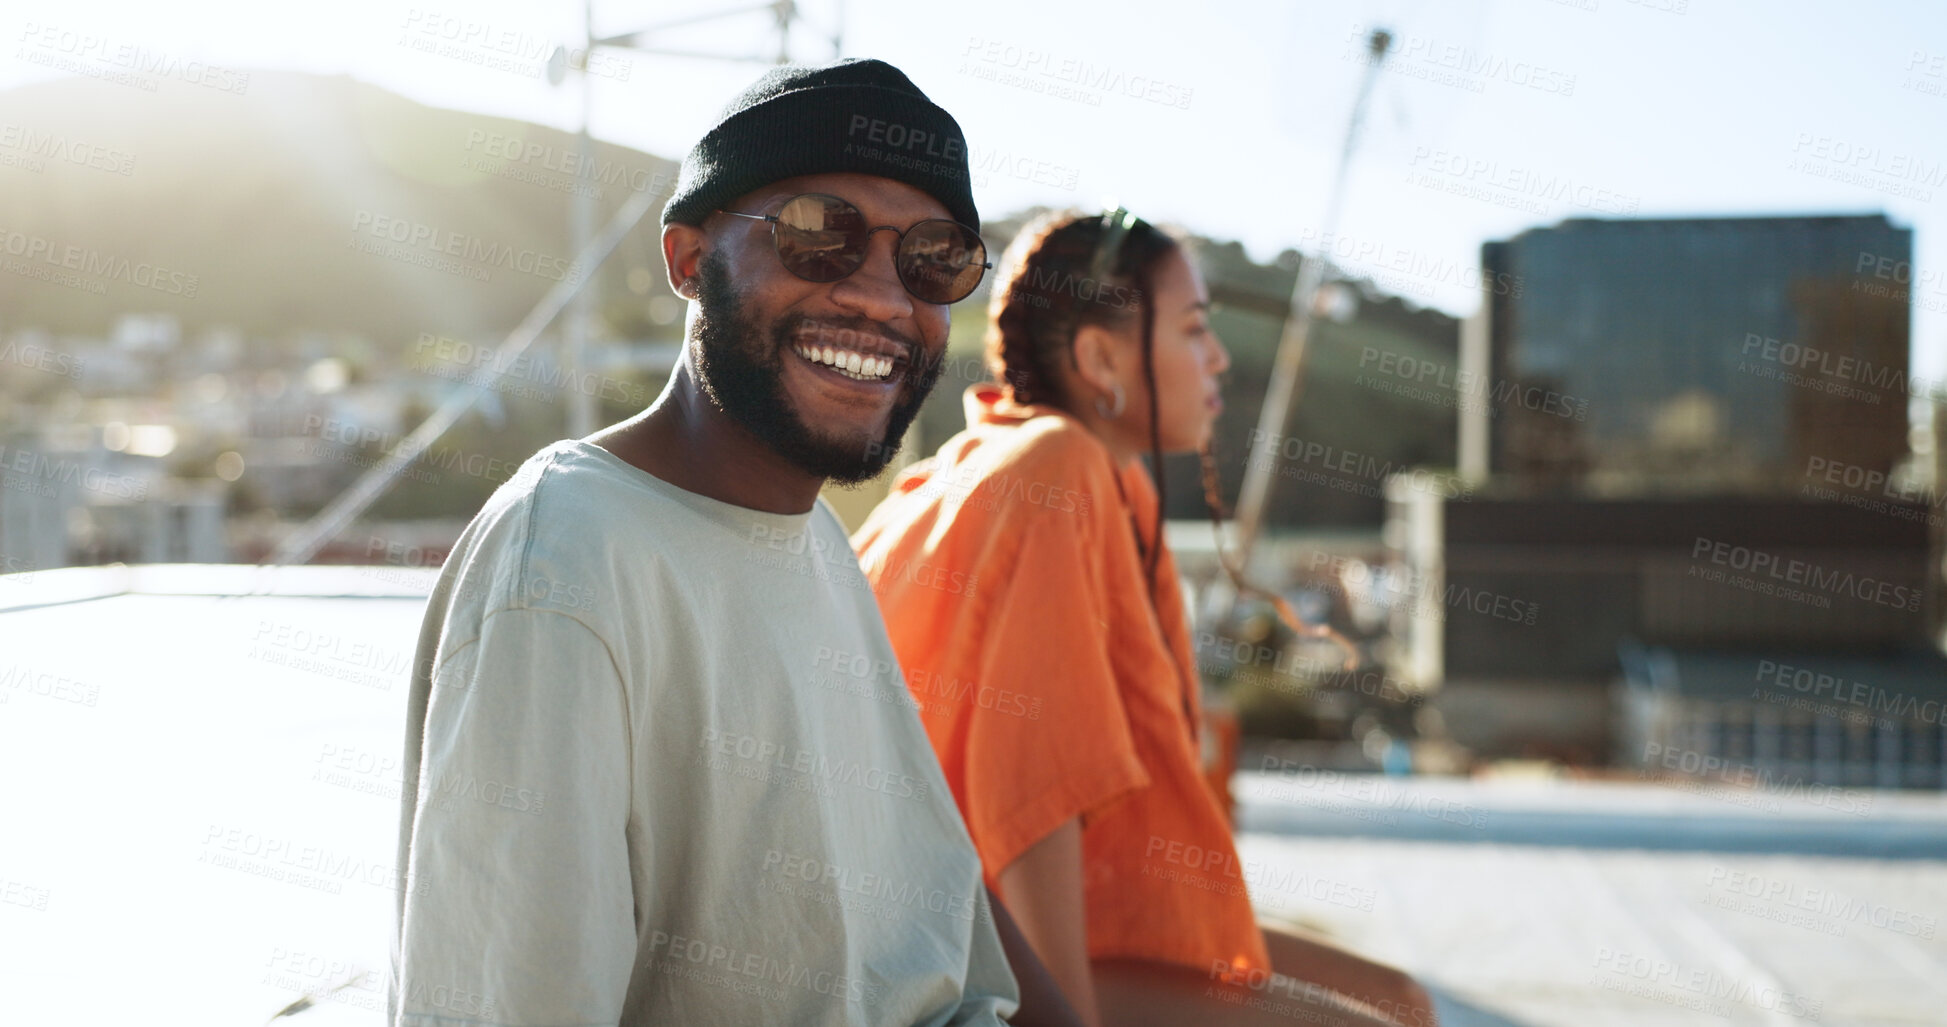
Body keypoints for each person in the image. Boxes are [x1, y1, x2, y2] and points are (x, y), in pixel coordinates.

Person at [389, 59, 1080, 1027]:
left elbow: (937, 910)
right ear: (686, 260)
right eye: (817, 235)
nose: (883, 299)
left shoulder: (809, 540)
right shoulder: (568, 564)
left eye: (933, 260)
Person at [853, 210, 1439, 1027]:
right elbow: (1032, 795)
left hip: (1035, 917)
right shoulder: (1056, 467)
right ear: (1099, 357)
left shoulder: (1035, 464)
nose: (1219, 358)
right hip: (966, 948)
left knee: (1399, 1000)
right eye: (1195, 330)